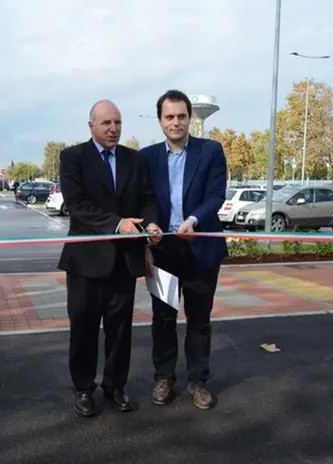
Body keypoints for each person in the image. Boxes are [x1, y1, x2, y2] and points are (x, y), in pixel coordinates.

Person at [58, 99, 160, 417]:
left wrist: (151, 222)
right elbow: (77, 204)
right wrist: (118, 224)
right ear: (92, 126)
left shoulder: (134, 159)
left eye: (117, 123)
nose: (113, 129)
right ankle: (84, 389)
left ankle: (115, 386)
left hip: (123, 263)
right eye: (106, 123)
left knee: (120, 330)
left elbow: (146, 199)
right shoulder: (73, 157)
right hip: (86, 263)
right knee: (84, 329)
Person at [139, 89, 228, 410]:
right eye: (169, 117)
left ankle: (198, 381)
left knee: (199, 319)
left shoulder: (211, 151)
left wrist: (193, 219)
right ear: (160, 120)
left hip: (201, 246)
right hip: (163, 250)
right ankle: (164, 378)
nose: (175, 122)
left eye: (181, 116)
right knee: (163, 318)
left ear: (190, 118)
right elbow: (145, 199)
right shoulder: (146, 158)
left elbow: (216, 195)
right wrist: (149, 224)